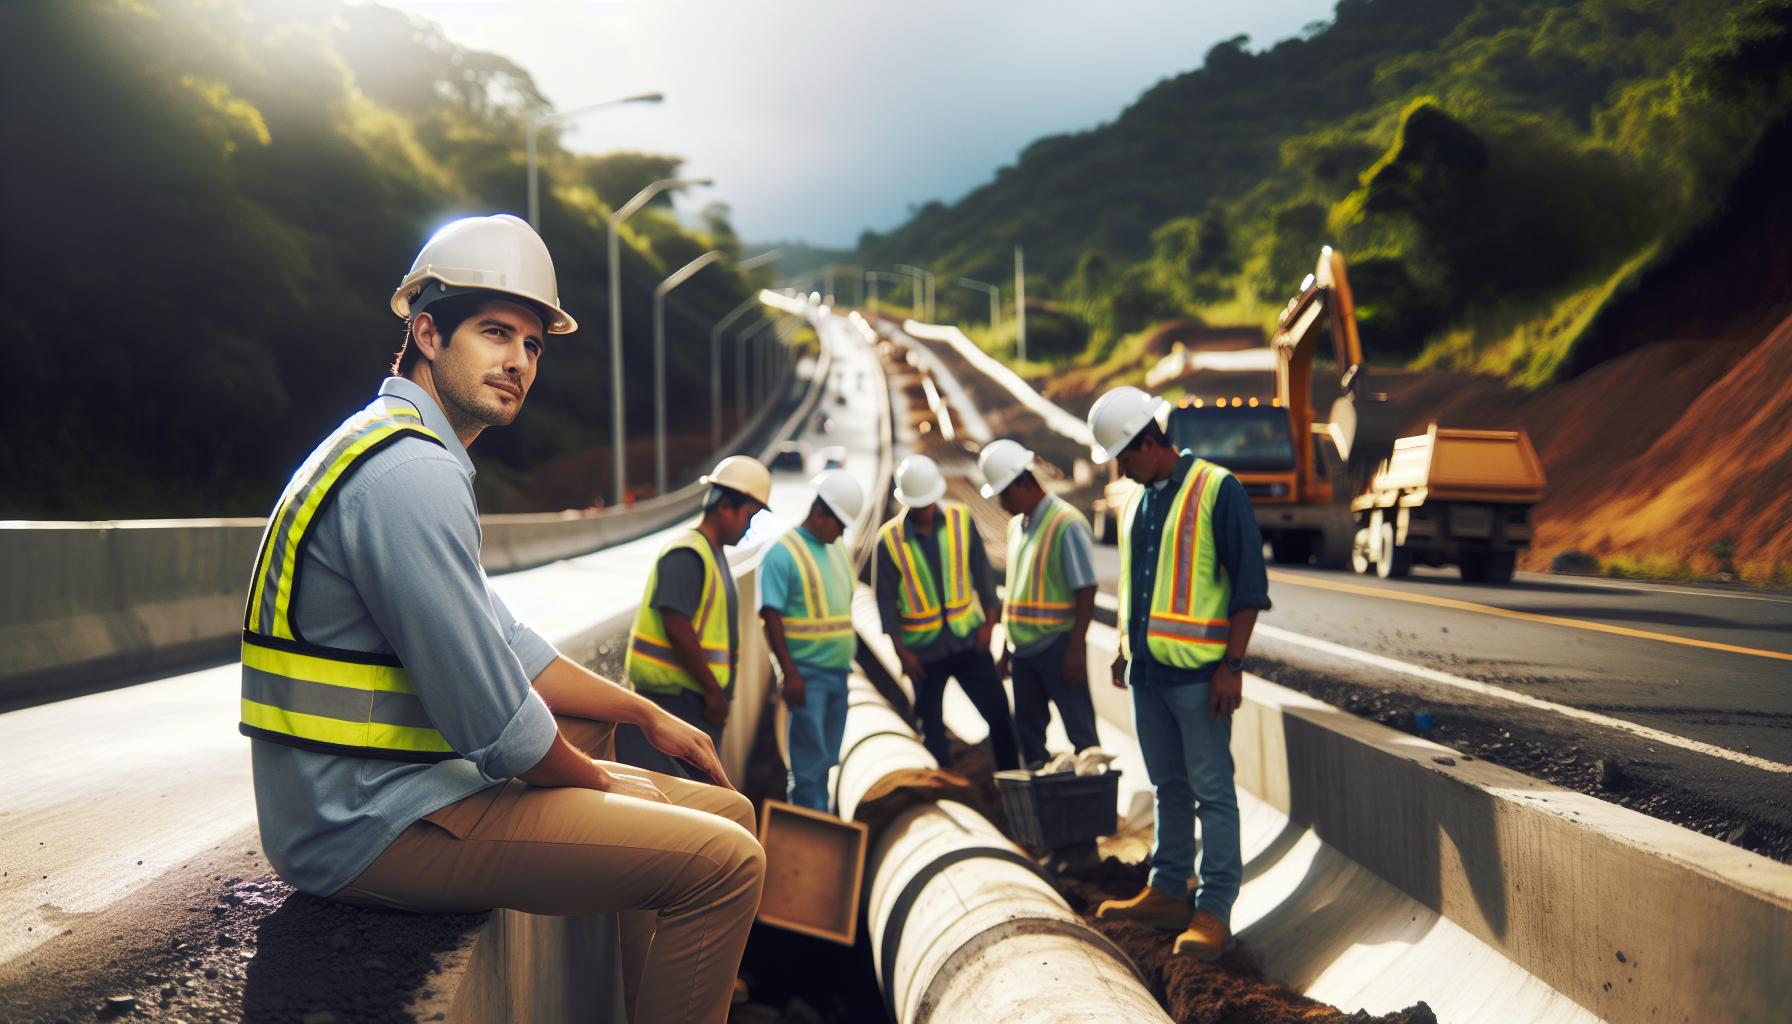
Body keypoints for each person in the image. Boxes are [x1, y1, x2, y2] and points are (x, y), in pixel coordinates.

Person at [240, 213, 762, 1023]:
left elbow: (507, 644)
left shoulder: (401, 447)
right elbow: (497, 723)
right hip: (366, 825)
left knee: (725, 811)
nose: (518, 360)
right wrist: (607, 785)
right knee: (727, 863)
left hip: (390, 796)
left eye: (533, 344)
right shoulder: (409, 475)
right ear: (426, 333)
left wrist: (645, 713)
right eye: (494, 333)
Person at [1085, 385, 1271, 962]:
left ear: (1147, 443)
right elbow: (1139, 587)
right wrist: (1125, 646)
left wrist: (1231, 668)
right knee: (1168, 786)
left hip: (1199, 676)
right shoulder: (1136, 501)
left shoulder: (1217, 490)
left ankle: (1214, 909)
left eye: (1123, 455)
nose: (1120, 467)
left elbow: (1248, 590)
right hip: (1149, 675)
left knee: (1212, 792)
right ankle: (1169, 889)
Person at [616, 455, 772, 780]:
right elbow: (677, 625)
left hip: (693, 703)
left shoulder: (714, 556)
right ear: (725, 506)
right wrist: (714, 691)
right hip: (673, 702)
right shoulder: (688, 554)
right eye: (749, 516)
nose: (749, 527)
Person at [873, 454, 1021, 772]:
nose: (925, 510)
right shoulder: (889, 540)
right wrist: (903, 654)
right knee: (932, 731)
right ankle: (946, 786)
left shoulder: (960, 520)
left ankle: (1011, 778)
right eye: (918, 504)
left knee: (999, 714)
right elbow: (885, 602)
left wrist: (990, 626)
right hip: (923, 655)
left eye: (928, 502)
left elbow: (983, 575)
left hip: (969, 642)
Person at [977, 440, 1101, 767]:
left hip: (1058, 646)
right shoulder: (1017, 526)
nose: (1002, 503)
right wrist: (1006, 650)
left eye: (1004, 493)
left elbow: (1086, 590)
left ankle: (1095, 799)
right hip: (1023, 651)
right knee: (1029, 737)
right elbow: (1017, 592)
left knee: (1082, 734)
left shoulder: (1066, 523)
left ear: (1024, 482)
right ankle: (1038, 804)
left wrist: (1075, 649)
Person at [758, 471, 864, 811]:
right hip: (807, 678)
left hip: (837, 675)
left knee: (826, 764)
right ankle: (809, 841)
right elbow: (770, 617)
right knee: (807, 770)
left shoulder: (836, 551)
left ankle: (823, 826)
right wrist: (789, 673)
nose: (843, 532)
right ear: (820, 513)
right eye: (840, 524)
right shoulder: (782, 553)